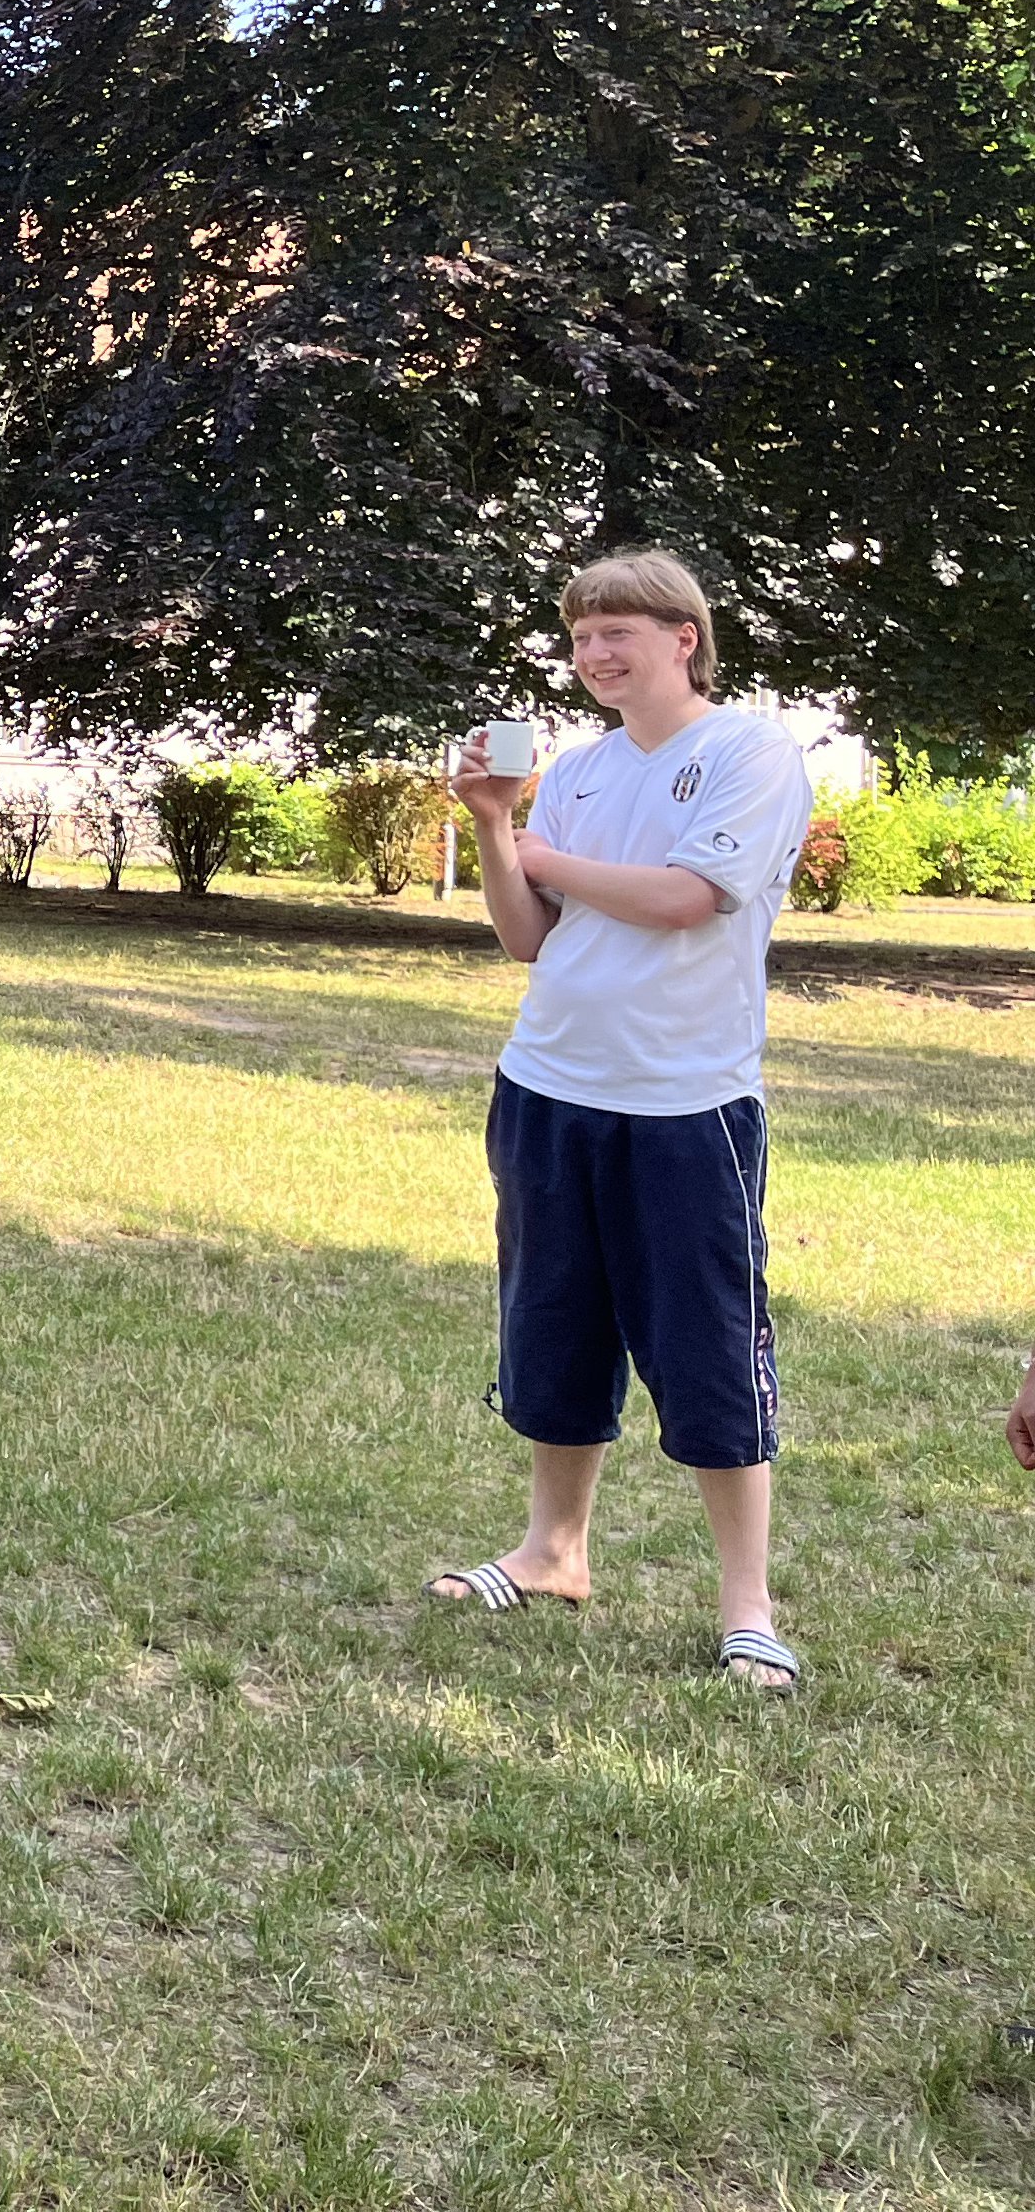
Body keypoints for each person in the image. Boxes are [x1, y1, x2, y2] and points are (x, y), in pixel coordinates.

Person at [436, 547, 814, 1694]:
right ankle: (554, 1554)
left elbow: (686, 900)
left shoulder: (748, 752)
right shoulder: (585, 771)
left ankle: (747, 1607)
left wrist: (547, 851)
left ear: (682, 639)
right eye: (582, 636)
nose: (596, 654)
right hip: (549, 1085)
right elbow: (528, 938)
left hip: (683, 1105)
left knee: (706, 1348)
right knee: (553, 1326)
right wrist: (500, 827)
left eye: (620, 633)